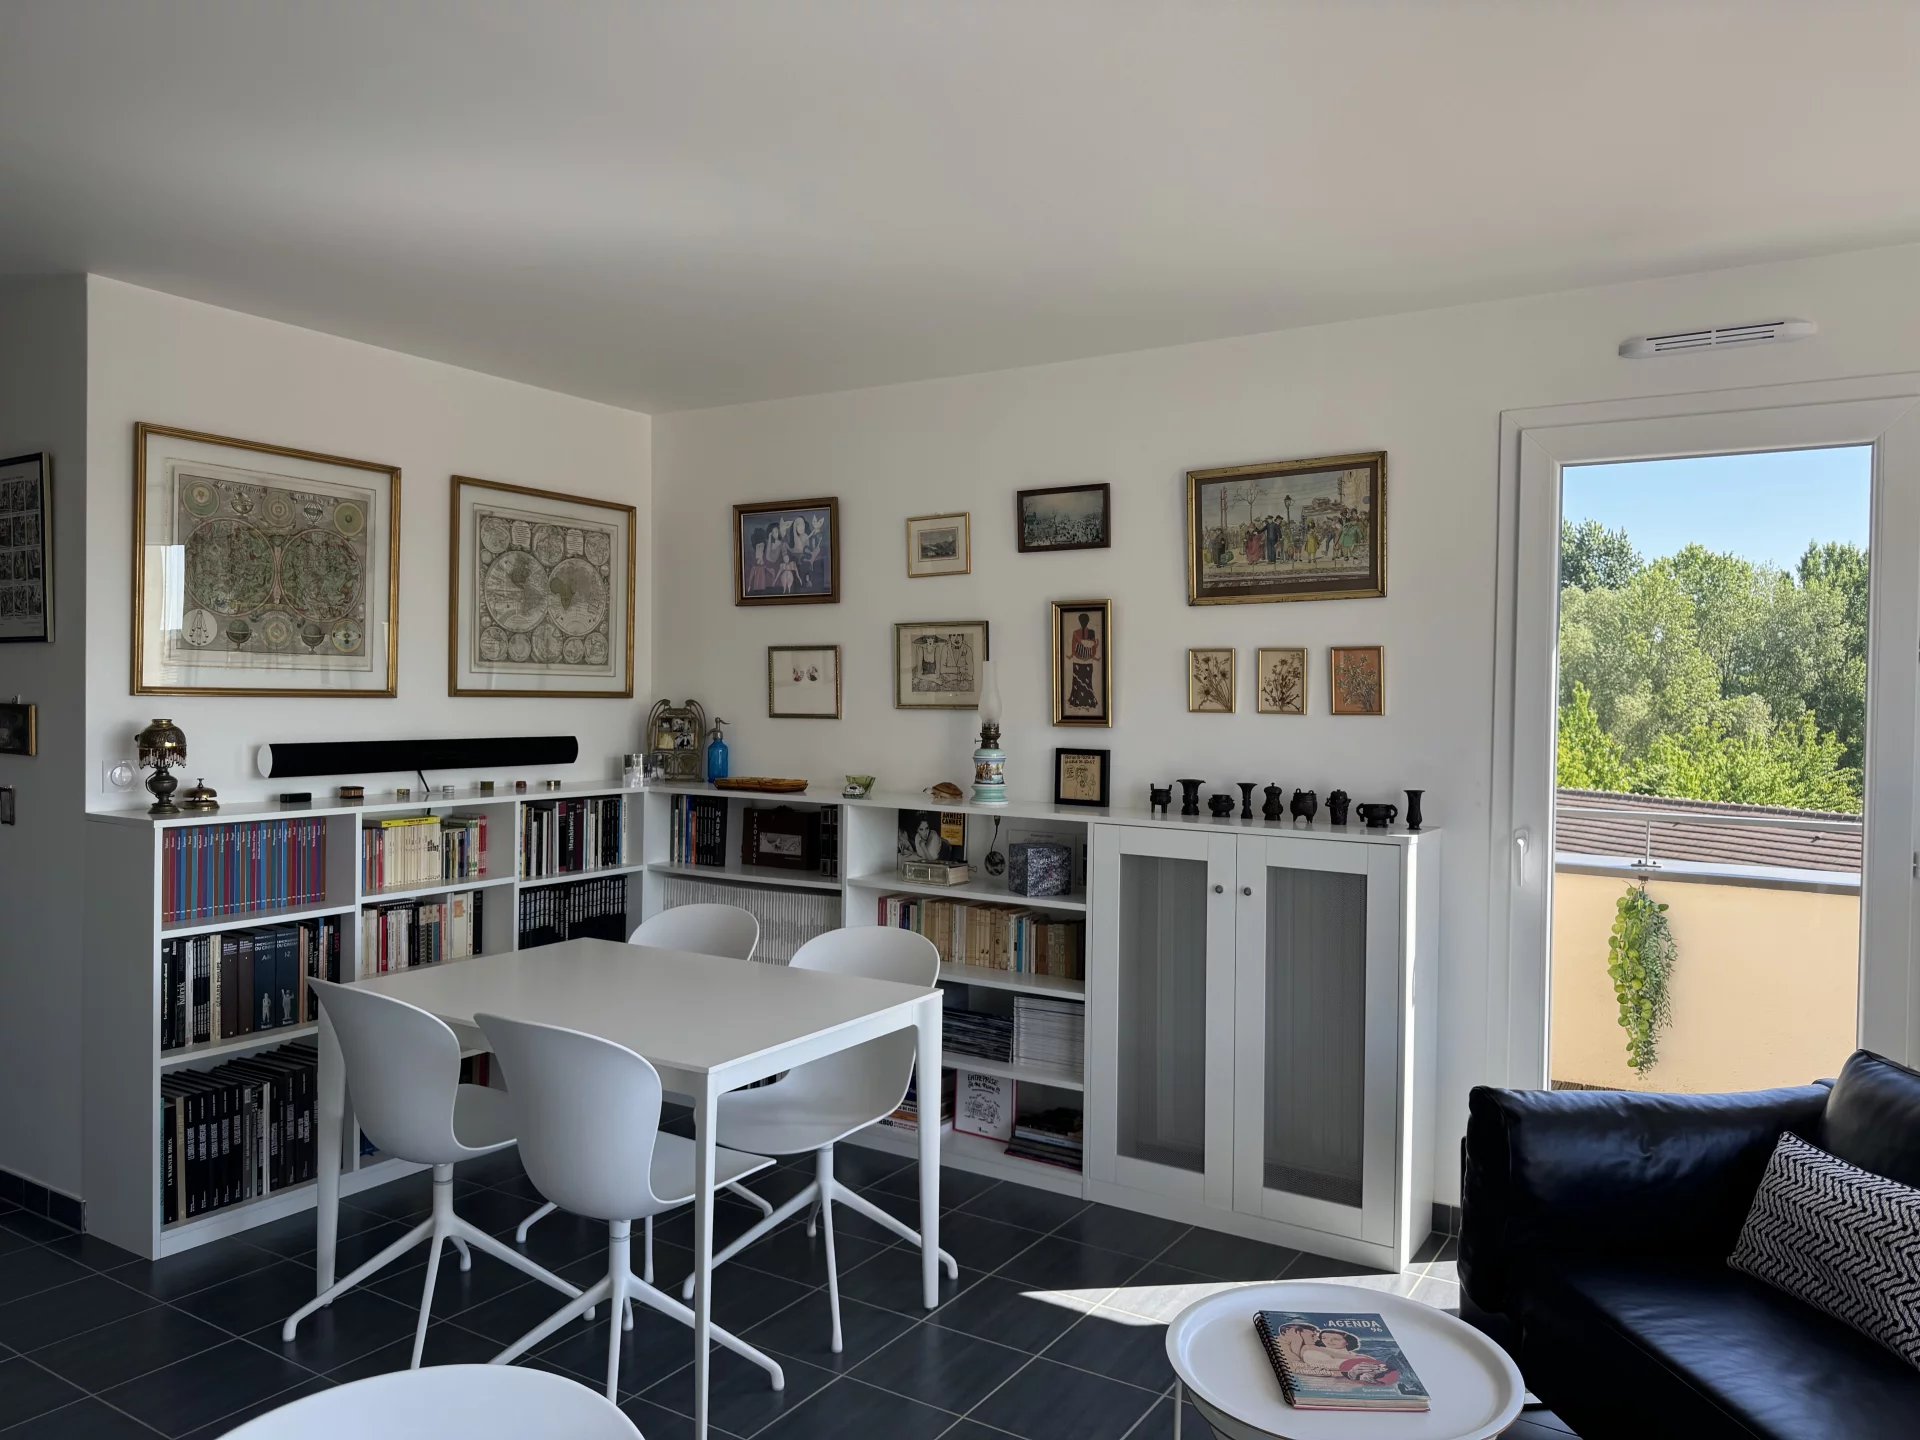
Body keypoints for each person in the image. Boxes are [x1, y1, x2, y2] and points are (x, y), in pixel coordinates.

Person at [1068, 611, 1100, 711]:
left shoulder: (1081, 632)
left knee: (1083, 682)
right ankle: (1083, 702)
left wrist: (1090, 656)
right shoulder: (1082, 632)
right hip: (1084, 661)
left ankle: (1081, 702)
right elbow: (1092, 649)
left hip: (1082, 661)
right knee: (1082, 682)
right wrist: (1091, 656)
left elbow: (1074, 649)